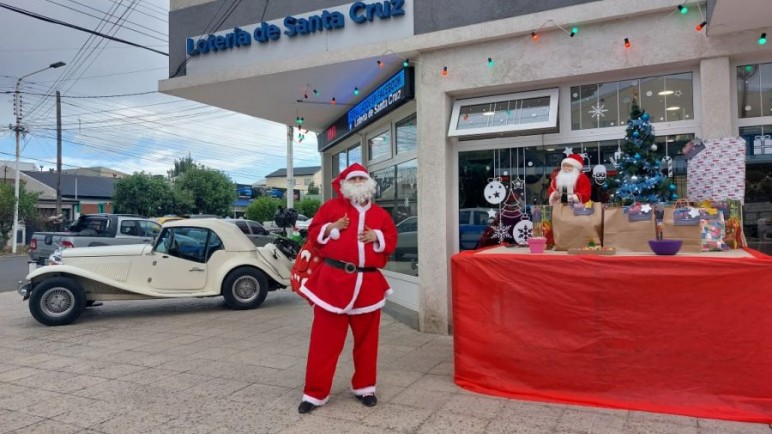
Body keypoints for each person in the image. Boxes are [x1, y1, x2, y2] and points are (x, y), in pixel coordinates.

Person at [297, 163, 398, 414]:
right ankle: (315, 393)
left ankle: (365, 387)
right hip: (332, 283)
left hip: (368, 286)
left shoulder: (381, 215)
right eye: (352, 180)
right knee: (323, 343)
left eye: (361, 179)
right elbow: (313, 232)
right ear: (343, 185)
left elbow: (391, 238)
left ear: (369, 184)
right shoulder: (331, 208)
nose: (357, 183)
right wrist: (331, 228)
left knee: (367, 342)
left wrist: (377, 237)